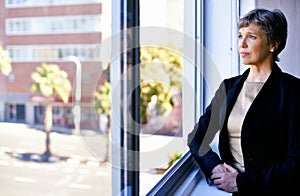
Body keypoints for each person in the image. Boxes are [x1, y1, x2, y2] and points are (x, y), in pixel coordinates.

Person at [188, 8, 300, 195]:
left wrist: (242, 181)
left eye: (252, 37)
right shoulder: (228, 87)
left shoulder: (293, 91)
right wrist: (215, 167)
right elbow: (197, 137)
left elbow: (296, 160)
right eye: (240, 36)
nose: (242, 44)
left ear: (273, 44)